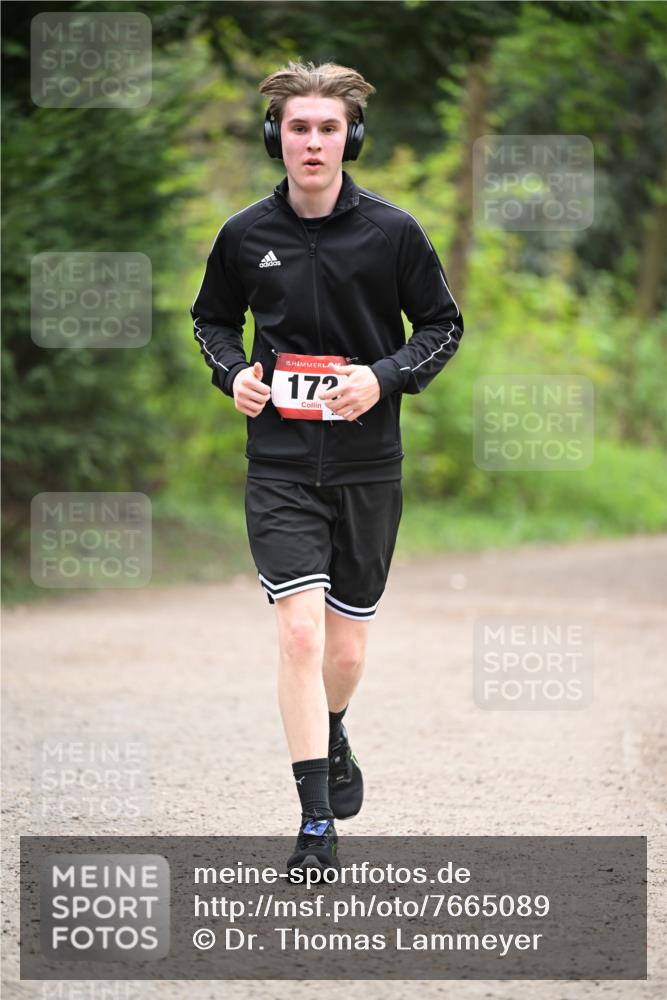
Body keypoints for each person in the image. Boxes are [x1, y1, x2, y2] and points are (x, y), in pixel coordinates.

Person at [191, 60, 463, 876]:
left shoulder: (392, 231)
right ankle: (315, 825)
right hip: (276, 464)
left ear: (352, 137)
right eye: (299, 128)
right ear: (276, 136)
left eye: (328, 128)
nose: (313, 142)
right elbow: (211, 321)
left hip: (367, 465)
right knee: (300, 633)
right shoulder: (244, 235)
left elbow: (441, 328)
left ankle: (333, 728)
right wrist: (231, 373)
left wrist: (379, 378)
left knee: (342, 654)